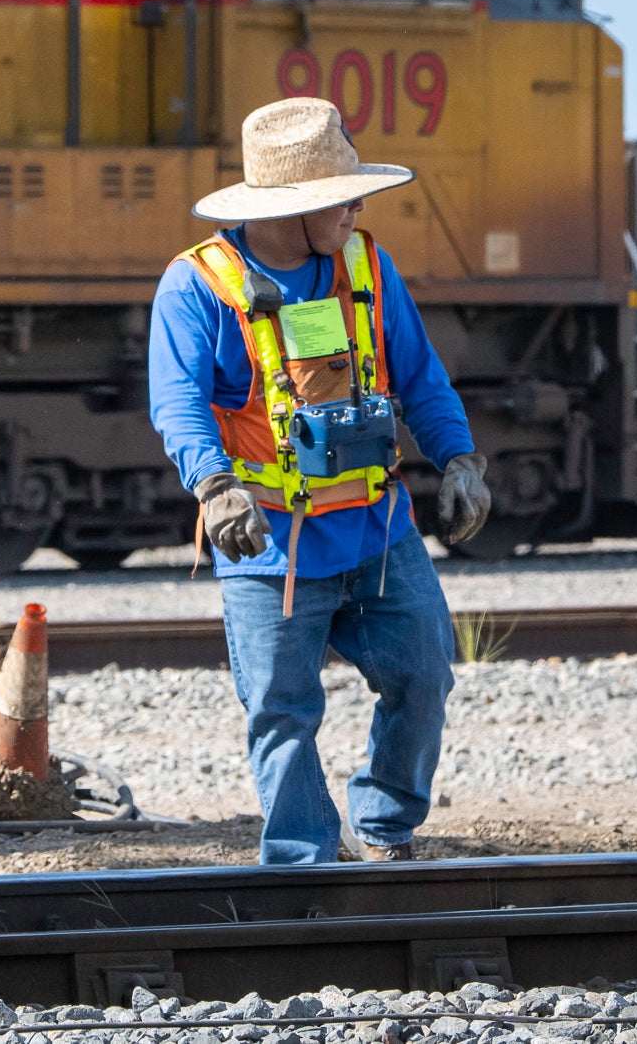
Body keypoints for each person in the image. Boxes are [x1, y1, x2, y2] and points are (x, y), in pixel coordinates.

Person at [148, 97, 491, 865]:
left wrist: (459, 456)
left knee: (425, 676)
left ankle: (383, 827)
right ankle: (304, 863)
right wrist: (214, 485)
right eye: (342, 196)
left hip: (377, 530)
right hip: (269, 546)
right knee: (280, 711)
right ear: (292, 207)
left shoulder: (366, 264)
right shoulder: (198, 286)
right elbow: (176, 405)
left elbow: (419, 375)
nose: (359, 207)